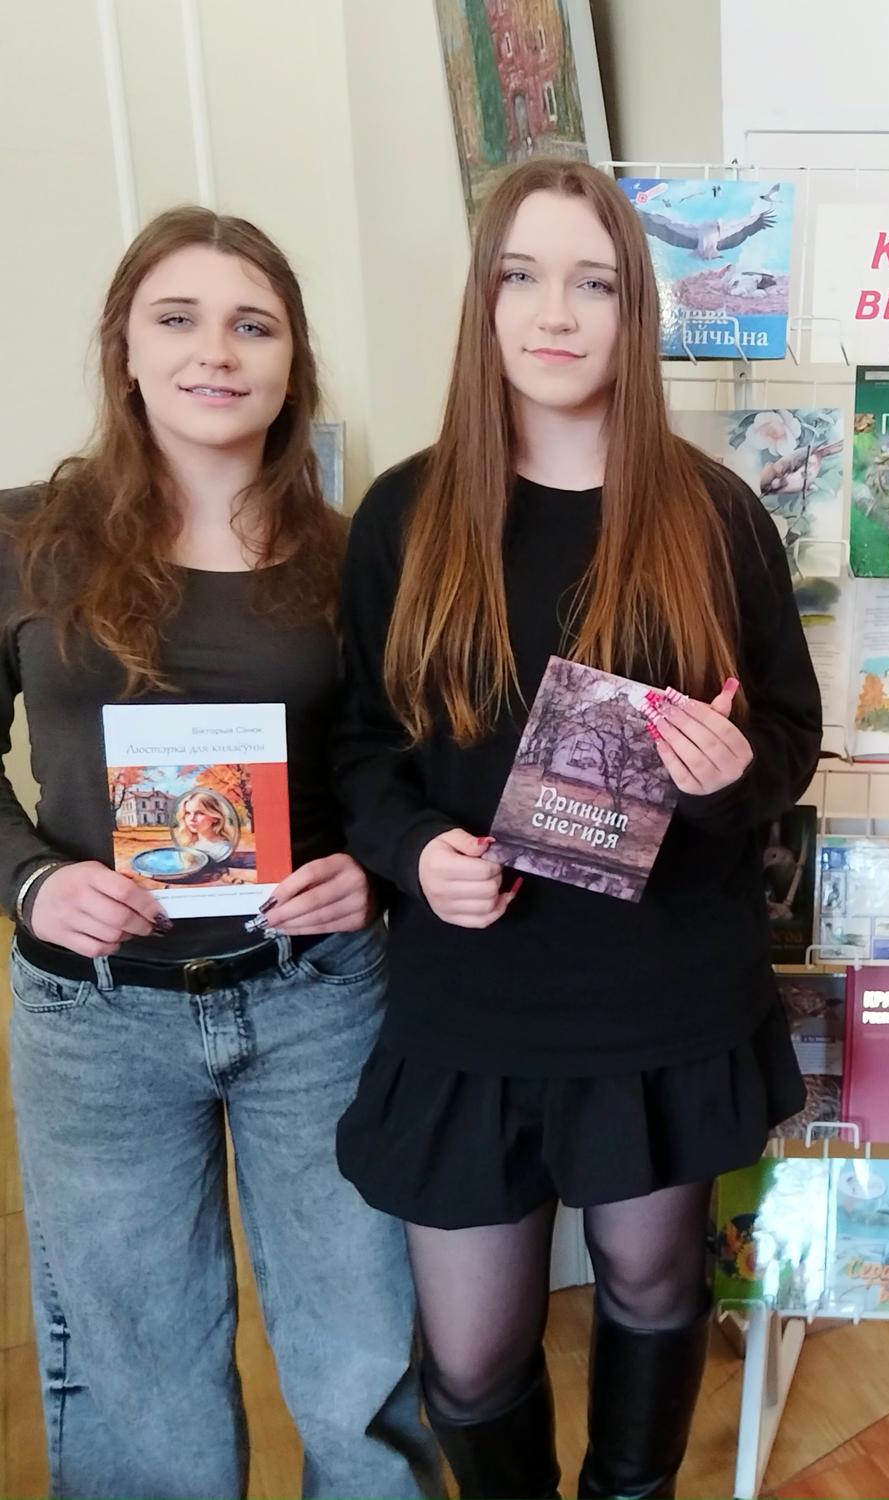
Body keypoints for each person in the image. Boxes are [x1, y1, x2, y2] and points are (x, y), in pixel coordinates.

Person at [332, 158, 819, 1500]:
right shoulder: (406, 515)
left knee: (652, 1287)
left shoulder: (714, 513)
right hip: (471, 997)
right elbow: (362, 747)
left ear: (635, 309)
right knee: (470, 1359)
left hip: (660, 990)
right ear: (484, 300)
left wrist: (730, 772)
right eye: (524, 276)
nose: (556, 313)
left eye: (594, 283)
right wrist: (414, 854)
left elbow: (788, 732)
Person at [0, 207, 437, 1498]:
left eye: (254, 325)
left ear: (293, 365)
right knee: (132, 1362)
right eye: (178, 319)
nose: (217, 352)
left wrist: (374, 870)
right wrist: (32, 881)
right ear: (125, 351)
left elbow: (401, 762)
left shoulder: (357, 556)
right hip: (95, 1017)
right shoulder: (25, 542)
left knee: (364, 1345)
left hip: (317, 997)